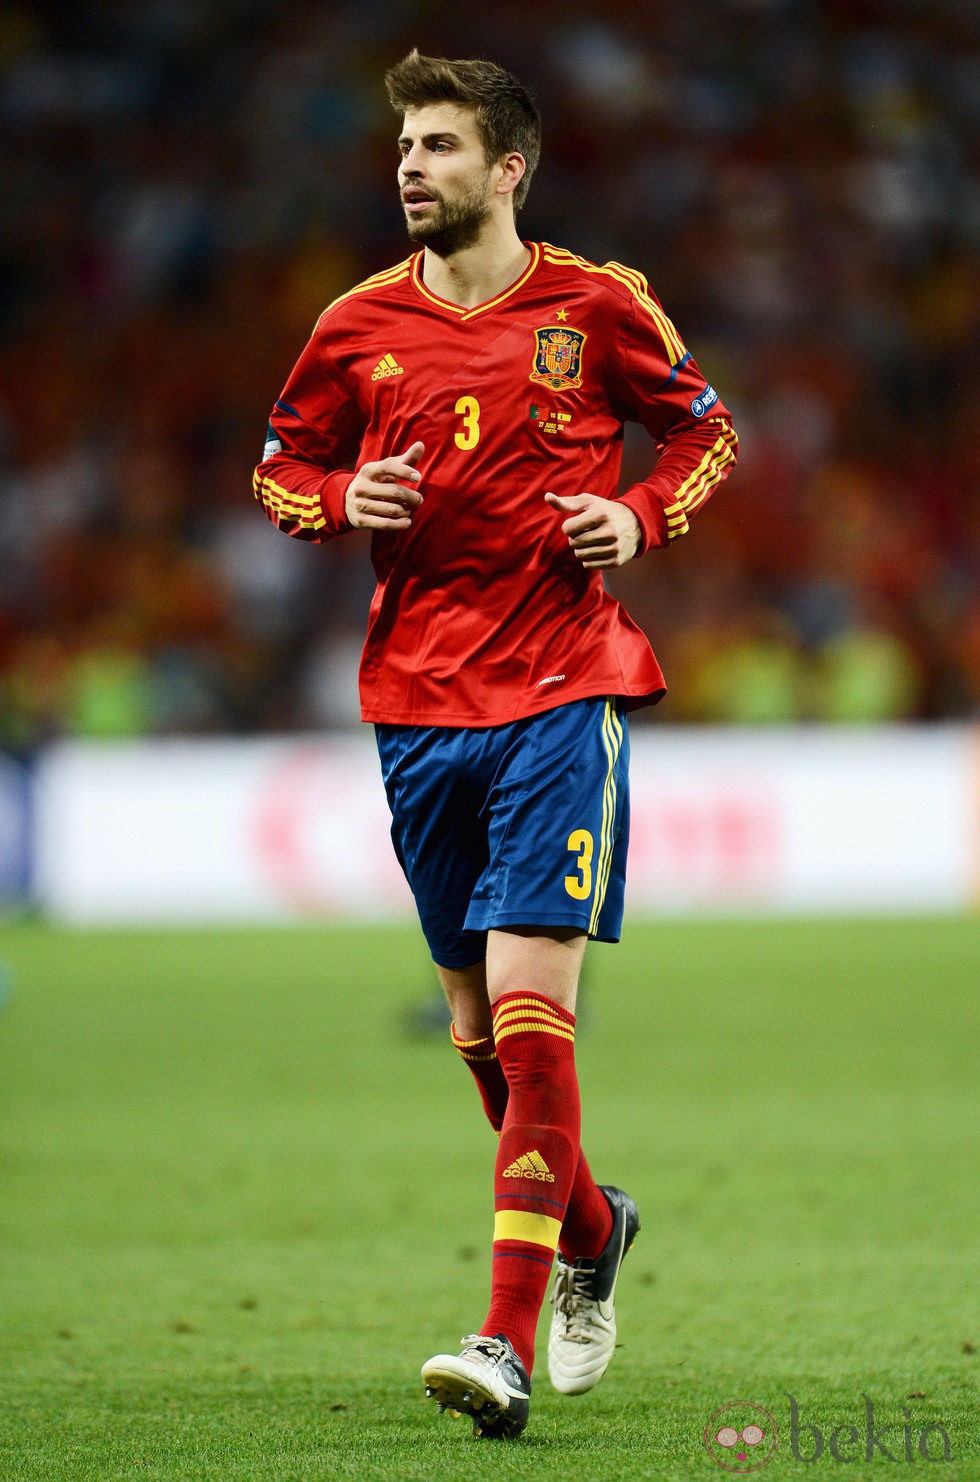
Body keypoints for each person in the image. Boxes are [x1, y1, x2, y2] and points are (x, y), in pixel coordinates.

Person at [253, 48, 738, 1439]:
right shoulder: (353, 324)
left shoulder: (597, 305)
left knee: (533, 1021)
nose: (412, 165)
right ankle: (593, 1224)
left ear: (507, 169)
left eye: (442, 146)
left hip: (563, 685)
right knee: (475, 1029)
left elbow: (706, 433)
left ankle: (505, 1336)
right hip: (416, 702)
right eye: (406, 145)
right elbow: (276, 464)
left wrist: (640, 518)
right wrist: (346, 495)